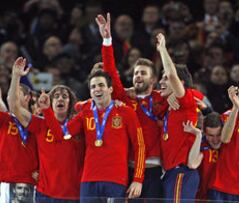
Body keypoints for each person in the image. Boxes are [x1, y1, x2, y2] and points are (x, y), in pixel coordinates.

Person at [41, 70, 145, 202]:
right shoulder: (86, 113)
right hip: (88, 180)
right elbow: (60, 134)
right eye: (93, 87)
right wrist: (46, 110)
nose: (97, 89)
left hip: (116, 179)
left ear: (110, 89)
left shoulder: (126, 112)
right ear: (90, 92)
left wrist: (138, 179)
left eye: (101, 85)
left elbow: (139, 146)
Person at [95, 13, 168, 201]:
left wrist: (163, 51)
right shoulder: (125, 99)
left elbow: (183, 91)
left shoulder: (163, 98)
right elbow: (110, 70)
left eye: (143, 73)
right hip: (128, 167)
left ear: (153, 79)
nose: (137, 76)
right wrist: (107, 40)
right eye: (136, 73)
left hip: (154, 170)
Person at [8, 59, 84, 202]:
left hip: (74, 194)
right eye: (56, 96)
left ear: (71, 102)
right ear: (50, 101)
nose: (60, 99)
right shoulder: (40, 124)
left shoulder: (80, 125)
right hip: (46, 194)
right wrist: (16, 77)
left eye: (64, 96)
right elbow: (14, 107)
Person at [0, 55, 38, 202]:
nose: (13, 97)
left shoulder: (38, 122)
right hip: (7, 182)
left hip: (34, 183)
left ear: (27, 98)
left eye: (17, 94)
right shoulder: (4, 120)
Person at [156, 33, 200, 202]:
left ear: (180, 83)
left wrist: (162, 50)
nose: (161, 82)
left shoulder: (187, 101)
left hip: (181, 172)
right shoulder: (170, 106)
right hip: (171, 173)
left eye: (164, 78)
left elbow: (173, 75)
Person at [196, 112, 222, 200]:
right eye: (211, 135)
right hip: (201, 197)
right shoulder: (198, 147)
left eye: (218, 135)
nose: (215, 140)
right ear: (204, 133)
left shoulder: (230, 147)